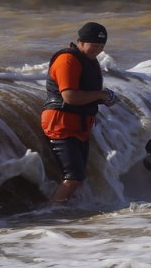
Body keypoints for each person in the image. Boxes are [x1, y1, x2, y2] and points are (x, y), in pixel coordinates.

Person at [41, 21, 118, 204]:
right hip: (60, 125)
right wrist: (100, 94)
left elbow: (84, 94)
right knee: (73, 177)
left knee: (78, 177)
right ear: (81, 42)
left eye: (101, 46)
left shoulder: (89, 60)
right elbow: (70, 97)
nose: (97, 50)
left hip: (79, 125)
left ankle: (69, 213)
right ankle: (52, 214)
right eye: (94, 45)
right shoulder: (67, 60)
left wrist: (104, 99)